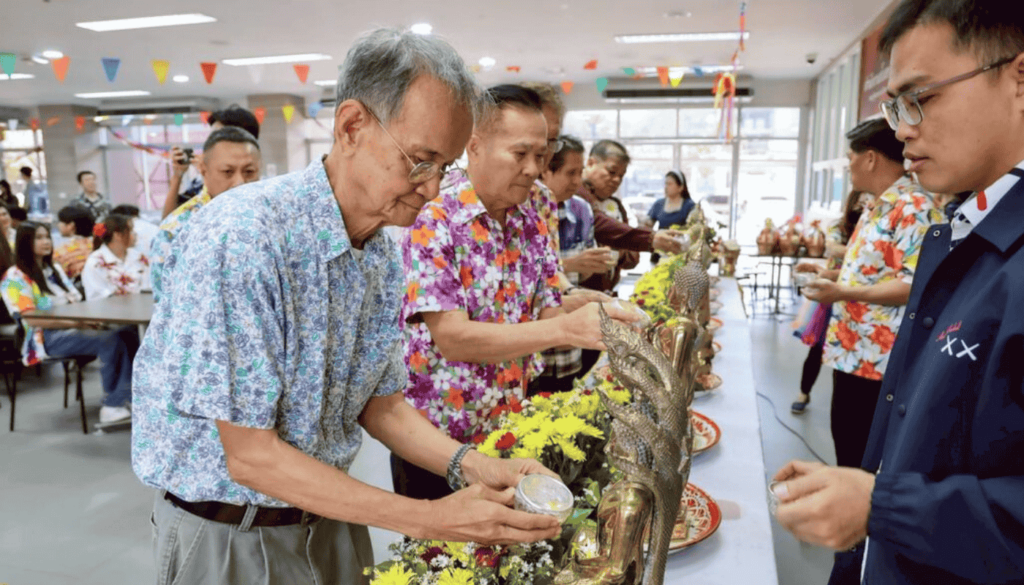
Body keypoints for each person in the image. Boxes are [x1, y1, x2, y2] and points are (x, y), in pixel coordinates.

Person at [132, 29, 564, 585]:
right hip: (231, 534)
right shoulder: (246, 235)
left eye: (445, 167)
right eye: (420, 161)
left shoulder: (379, 253)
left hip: (330, 518)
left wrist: (474, 465)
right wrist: (431, 519)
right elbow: (251, 455)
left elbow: (380, 404)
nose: (433, 189)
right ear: (352, 126)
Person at [775, 2, 1024, 584]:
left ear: (1018, 79)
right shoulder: (962, 225)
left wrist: (880, 506)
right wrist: (868, 499)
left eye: (921, 97)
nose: (902, 129)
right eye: (895, 106)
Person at [397, 85, 637, 500]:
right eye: (520, 154)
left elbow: (545, 310)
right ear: (474, 145)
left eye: (541, 155)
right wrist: (566, 329)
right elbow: (453, 338)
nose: (533, 169)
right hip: (437, 441)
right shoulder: (433, 219)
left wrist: (594, 313)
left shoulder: (531, 219)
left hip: (509, 430)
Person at [801, 119, 941, 468]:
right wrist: (830, 275)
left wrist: (841, 291)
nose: (847, 166)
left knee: (861, 459)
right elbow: (873, 271)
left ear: (870, 158)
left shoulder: (913, 209)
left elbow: (912, 284)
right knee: (846, 446)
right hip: (852, 350)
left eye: (850, 158)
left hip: (879, 360)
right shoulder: (876, 206)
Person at [0, 222, 138, 424]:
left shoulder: (54, 269)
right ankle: (113, 405)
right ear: (24, 242)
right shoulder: (14, 277)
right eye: (38, 237)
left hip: (75, 326)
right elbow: (32, 318)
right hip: (43, 338)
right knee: (109, 340)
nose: (46, 242)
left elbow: (76, 300)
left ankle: (127, 397)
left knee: (129, 332)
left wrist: (83, 322)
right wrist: (77, 323)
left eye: (47, 236)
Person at [529, 135, 614, 395]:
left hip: (569, 350)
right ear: (545, 170)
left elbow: (552, 267)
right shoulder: (526, 208)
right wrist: (569, 264)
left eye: (580, 172)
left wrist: (590, 269)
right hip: (533, 348)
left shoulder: (582, 210)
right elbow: (533, 267)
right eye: (570, 173)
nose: (578, 181)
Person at [149, 127, 261, 301]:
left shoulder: (275, 222)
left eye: (249, 172)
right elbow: (165, 304)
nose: (239, 182)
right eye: (227, 172)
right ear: (203, 169)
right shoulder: (176, 230)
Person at [790, 190, 866, 414]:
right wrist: (866, 252)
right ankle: (803, 392)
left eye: (868, 201)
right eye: (861, 202)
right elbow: (833, 249)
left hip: (860, 297)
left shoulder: (873, 226)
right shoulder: (838, 227)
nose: (864, 206)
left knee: (849, 351)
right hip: (832, 295)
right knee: (817, 349)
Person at [576, 140, 685, 293]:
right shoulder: (576, 196)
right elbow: (598, 223)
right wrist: (650, 238)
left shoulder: (616, 205)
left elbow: (633, 257)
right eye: (611, 172)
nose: (617, 180)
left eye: (621, 176)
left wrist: (618, 252)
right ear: (590, 163)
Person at [162, 105, 262, 219]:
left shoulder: (265, 193)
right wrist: (177, 176)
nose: (212, 142)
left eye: (220, 136)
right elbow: (169, 222)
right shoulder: (199, 183)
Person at [81, 214, 150, 300]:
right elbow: (97, 296)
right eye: (131, 231)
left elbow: (150, 286)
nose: (135, 235)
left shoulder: (139, 257)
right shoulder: (95, 263)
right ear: (118, 235)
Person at [643, 170, 696, 264]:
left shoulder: (690, 206)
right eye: (665, 184)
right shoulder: (659, 204)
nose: (666, 187)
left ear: (680, 187)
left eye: (670, 184)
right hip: (659, 254)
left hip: (680, 255)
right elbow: (648, 224)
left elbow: (694, 231)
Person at [53, 205, 95, 281]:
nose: (58, 225)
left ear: (71, 225)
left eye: (60, 221)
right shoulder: (95, 245)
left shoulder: (63, 251)